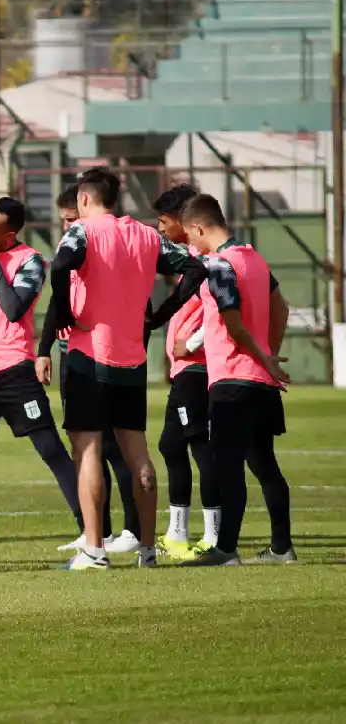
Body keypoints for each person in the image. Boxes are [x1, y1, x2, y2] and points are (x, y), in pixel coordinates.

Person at [49, 167, 206, 571]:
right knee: (138, 452)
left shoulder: (82, 232)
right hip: (132, 359)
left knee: (88, 450)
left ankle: (95, 549)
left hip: (88, 355)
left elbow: (59, 266)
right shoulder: (145, 234)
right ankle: (148, 550)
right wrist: (162, 314)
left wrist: (66, 311)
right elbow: (195, 268)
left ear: (84, 199)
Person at [0, 197, 84, 536]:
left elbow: (12, 309)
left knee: (51, 451)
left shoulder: (31, 261)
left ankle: (94, 530)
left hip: (14, 371)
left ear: (11, 232)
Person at [178, 194, 296, 567]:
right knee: (264, 463)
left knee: (227, 465)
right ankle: (282, 548)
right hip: (260, 381)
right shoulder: (254, 259)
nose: (190, 244)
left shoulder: (220, 265)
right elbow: (282, 306)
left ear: (198, 227)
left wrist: (262, 356)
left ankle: (226, 549)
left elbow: (233, 325)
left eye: (190, 236)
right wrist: (270, 353)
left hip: (233, 378)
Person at [38, 185, 143, 555]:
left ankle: (131, 530)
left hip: (102, 354)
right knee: (87, 448)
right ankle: (99, 531)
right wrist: (45, 348)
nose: (67, 225)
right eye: (63, 220)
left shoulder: (100, 243)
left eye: (71, 219)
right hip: (74, 357)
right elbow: (57, 300)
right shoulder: (72, 246)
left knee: (114, 446)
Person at [153, 184, 221, 559]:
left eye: (164, 222)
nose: (161, 229)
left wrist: (190, 346)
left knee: (200, 448)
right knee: (170, 444)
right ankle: (177, 535)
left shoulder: (207, 261)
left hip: (199, 369)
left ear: (184, 221)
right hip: (186, 369)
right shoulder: (190, 259)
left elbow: (220, 314)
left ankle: (212, 538)